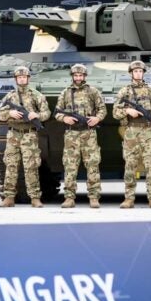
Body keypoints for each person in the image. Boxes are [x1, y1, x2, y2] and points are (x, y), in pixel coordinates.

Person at [112, 60, 151, 209]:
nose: (138, 73)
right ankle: (129, 198)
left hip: (148, 132)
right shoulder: (125, 91)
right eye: (135, 71)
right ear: (131, 73)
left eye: (140, 71)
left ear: (143, 73)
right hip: (131, 133)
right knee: (130, 166)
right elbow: (115, 112)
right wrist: (127, 111)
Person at [54, 63, 106, 208]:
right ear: (72, 76)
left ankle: (94, 197)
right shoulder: (65, 93)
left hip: (89, 133)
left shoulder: (93, 91)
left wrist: (97, 118)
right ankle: (69, 197)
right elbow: (57, 112)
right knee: (70, 166)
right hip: (71, 133)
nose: (78, 78)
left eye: (80, 75)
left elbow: (102, 109)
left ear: (84, 76)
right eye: (75, 75)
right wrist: (64, 118)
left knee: (92, 165)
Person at [0, 65, 50, 208]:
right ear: (16, 79)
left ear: (28, 78)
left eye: (24, 77)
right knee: (11, 165)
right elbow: (0, 114)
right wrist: (9, 114)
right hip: (13, 134)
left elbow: (47, 113)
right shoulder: (9, 96)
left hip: (29, 135)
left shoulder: (36, 95)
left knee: (31, 167)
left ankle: (35, 198)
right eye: (19, 77)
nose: (22, 79)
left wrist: (37, 115)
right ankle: (8, 197)